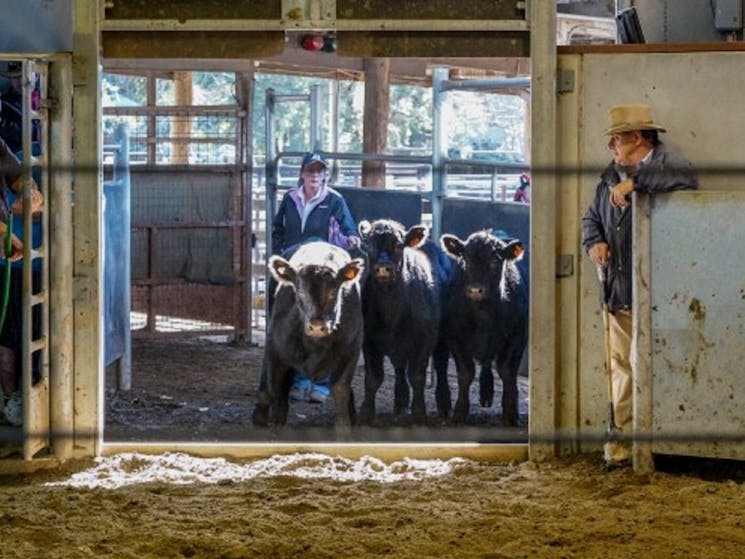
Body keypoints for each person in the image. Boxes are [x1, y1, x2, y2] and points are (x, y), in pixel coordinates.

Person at [582, 103, 698, 469]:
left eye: (617, 138)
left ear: (636, 137)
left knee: (656, 365)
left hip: (662, 294)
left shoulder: (670, 168)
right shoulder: (608, 177)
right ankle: (625, 443)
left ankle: (661, 444)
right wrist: (593, 242)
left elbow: (686, 183)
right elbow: (591, 218)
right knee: (621, 366)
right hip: (619, 290)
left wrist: (637, 183)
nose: (611, 145)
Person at [270, 151, 361, 403]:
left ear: (324, 175)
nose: (315, 175)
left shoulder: (334, 200)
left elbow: (349, 230)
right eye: (310, 171)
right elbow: (278, 228)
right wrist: (280, 252)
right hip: (296, 270)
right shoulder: (290, 198)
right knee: (294, 326)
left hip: (321, 275)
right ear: (302, 174)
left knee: (321, 324)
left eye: (319, 171)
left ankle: (320, 384)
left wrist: (351, 238)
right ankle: (298, 380)